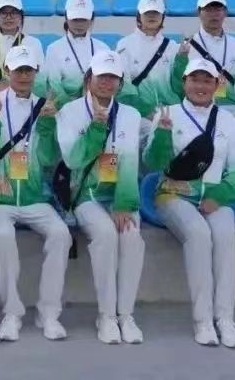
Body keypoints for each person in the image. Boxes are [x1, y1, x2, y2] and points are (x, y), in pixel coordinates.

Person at [144, 58, 235, 349]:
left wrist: (219, 197)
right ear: (184, 82)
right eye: (194, 79)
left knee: (225, 235)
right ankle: (203, 321)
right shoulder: (167, 114)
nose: (200, 86)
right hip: (173, 195)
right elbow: (153, 163)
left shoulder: (228, 120)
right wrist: (162, 135)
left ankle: (225, 319)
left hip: (215, 197)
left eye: (207, 80)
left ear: (216, 84)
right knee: (199, 234)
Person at [0, 45, 69, 342]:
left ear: (36, 72)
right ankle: (12, 313)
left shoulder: (46, 106)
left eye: (29, 70)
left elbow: (49, 159)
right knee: (3, 236)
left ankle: (48, 313)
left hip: (35, 196)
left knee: (61, 234)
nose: (24, 76)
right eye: (18, 70)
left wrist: (48, 126)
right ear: (7, 71)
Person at [55, 50, 145, 345]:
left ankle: (125, 315)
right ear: (88, 78)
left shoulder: (130, 115)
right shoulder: (69, 112)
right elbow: (73, 160)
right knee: (106, 235)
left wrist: (123, 204)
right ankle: (106, 316)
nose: (107, 82)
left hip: (119, 195)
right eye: (101, 76)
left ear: (120, 82)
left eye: (113, 77)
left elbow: (130, 162)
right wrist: (96, 127)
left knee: (131, 236)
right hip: (86, 196)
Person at [171, 0, 235, 114]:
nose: (213, 14)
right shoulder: (185, 47)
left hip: (232, 108)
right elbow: (178, 87)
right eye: (208, 9)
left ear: (225, 12)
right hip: (196, 108)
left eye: (218, 9)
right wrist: (181, 59)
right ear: (198, 12)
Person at [115, 0, 180, 121]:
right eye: (147, 12)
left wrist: (182, 60)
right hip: (138, 114)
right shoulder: (124, 45)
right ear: (139, 15)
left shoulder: (173, 46)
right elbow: (123, 88)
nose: (152, 16)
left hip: (171, 113)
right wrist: (147, 112)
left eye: (156, 12)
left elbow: (179, 86)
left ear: (163, 16)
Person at [44, 0, 112, 103]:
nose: (79, 24)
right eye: (75, 19)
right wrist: (74, 108)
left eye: (83, 19)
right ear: (66, 18)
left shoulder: (103, 48)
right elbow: (55, 87)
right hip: (65, 107)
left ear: (91, 19)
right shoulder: (54, 49)